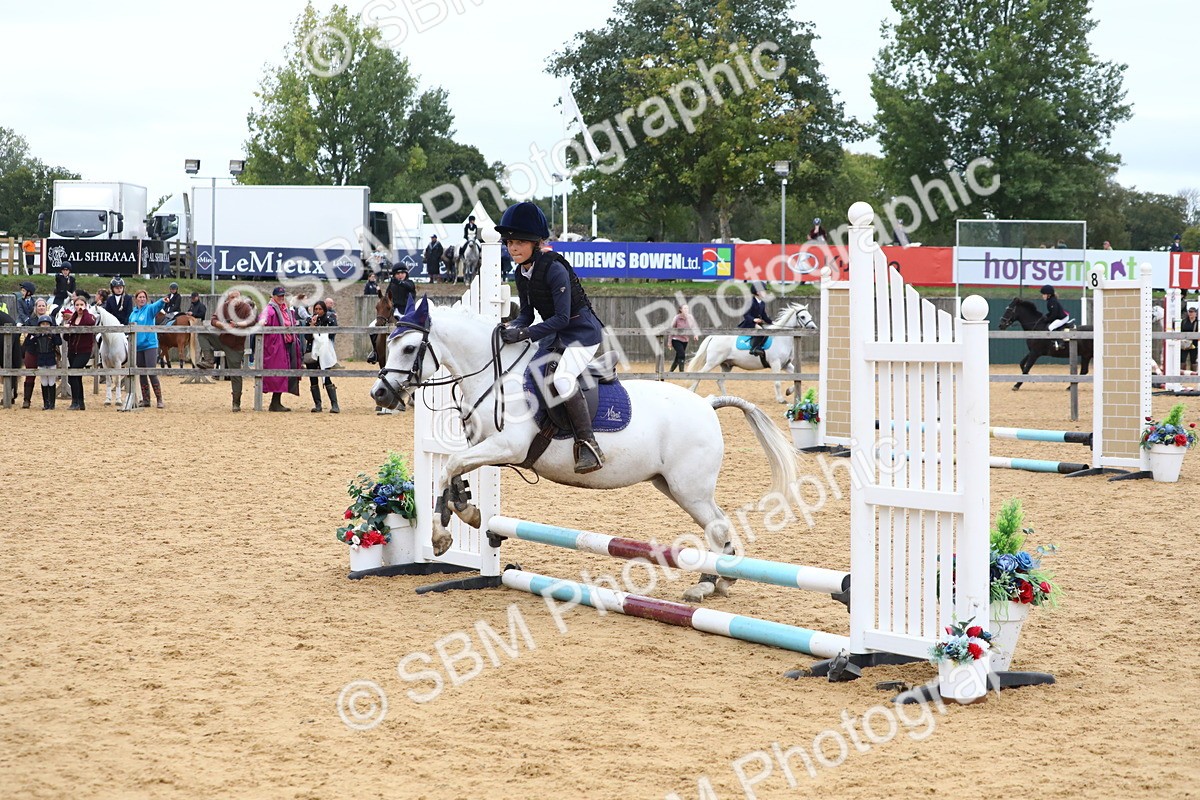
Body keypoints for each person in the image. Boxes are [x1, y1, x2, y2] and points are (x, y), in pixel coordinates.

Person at [497, 201, 605, 474]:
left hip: (582, 333)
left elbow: (561, 318)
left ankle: (588, 444)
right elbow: (527, 315)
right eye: (509, 242)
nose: (513, 248)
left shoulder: (555, 268)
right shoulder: (520, 272)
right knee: (528, 369)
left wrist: (524, 333)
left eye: (520, 242)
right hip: (556, 334)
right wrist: (509, 327)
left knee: (562, 378)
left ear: (535, 243)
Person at [196, 290, 256, 412]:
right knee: (202, 333)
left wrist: (238, 324)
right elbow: (213, 319)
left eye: (236, 297)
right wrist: (222, 325)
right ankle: (209, 360)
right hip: (223, 340)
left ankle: (236, 402)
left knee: (235, 374)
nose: (233, 300)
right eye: (231, 298)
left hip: (236, 346)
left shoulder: (245, 308)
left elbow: (253, 320)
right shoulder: (224, 307)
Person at [261, 286, 301, 412]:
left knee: (285, 372)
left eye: (283, 295)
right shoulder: (270, 309)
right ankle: (275, 403)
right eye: (279, 296)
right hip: (276, 345)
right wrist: (262, 322)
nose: (281, 298)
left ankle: (276, 401)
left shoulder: (286, 309)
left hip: (287, 344)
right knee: (278, 373)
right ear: (273, 296)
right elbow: (263, 318)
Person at [129, 289, 166, 408]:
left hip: (150, 344)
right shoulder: (132, 314)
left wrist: (162, 301)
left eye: (144, 297)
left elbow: (157, 306)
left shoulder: (149, 310)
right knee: (142, 373)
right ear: (136, 299)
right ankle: (146, 399)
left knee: (151, 371)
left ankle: (159, 399)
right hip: (138, 346)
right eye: (139, 297)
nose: (142, 299)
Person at [62, 292, 97, 410]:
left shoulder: (89, 316)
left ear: (85, 305)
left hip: (84, 351)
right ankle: (80, 402)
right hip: (72, 350)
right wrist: (68, 328)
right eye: (77, 305)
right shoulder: (72, 318)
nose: (79, 307)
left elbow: (91, 322)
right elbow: (66, 337)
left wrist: (84, 312)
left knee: (73, 374)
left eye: (81, 304)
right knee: (77, 376)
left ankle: (75, 401)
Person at [305, 299, 339, 413]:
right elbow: (307, 337)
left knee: (327, 377)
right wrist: (312, 326)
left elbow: (333, 333)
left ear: (324, 309)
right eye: (316, 309)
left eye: (320, 309)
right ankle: (318, 404)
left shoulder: (330, 319)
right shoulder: (310, 320)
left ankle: (335, 404)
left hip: (324, 351)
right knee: (313, 378)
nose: (318, 311)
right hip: (312, 351)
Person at [25, 315, 62, 410]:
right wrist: (33, 336)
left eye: (47, 324)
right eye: (43, 324)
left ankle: (52, 404)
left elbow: (59, 342)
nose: (45, 326)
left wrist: (53, 335)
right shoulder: (37, 336)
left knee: (51, 381)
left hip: (51, 359)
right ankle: (46, 403)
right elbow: (27, 343)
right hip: (41, 359)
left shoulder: (52, 335)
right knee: (44, 381)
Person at [741, 283, 769, 357]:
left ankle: (761, 346)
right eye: (763, 291)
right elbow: (746, 314)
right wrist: (754, 319)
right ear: (758, 292)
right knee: (761, 331)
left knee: (768, 330)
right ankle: (754, 348)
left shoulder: (762, 303)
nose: (765, 293)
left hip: (757, 323)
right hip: (749, 323)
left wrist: (773, 323)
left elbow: (764, 316)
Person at [668, 303, 698, 372]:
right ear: (680, 310)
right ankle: (682, 372)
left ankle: (670, 372)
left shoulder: (690, 317)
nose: (686, 310)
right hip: (676, 339)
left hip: (685, 340)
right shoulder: (677, 318)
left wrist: (695, 335)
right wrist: (669, 342)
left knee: (678, 356)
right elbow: (671, 330)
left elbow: (694, 327)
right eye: (685, 308)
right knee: (682, 354)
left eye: (687, 308)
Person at [1182, 306, 1199, 374]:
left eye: (1192, 312)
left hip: (1194, 343)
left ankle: (1194, 374)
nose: (1190, 313)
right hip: (1185, 343)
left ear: (1195, 313)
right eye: (1189, 312)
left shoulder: (1197, 322)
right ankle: (1182, 374)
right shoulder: (1184, 321)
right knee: (1183, 359)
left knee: (1193, 360)